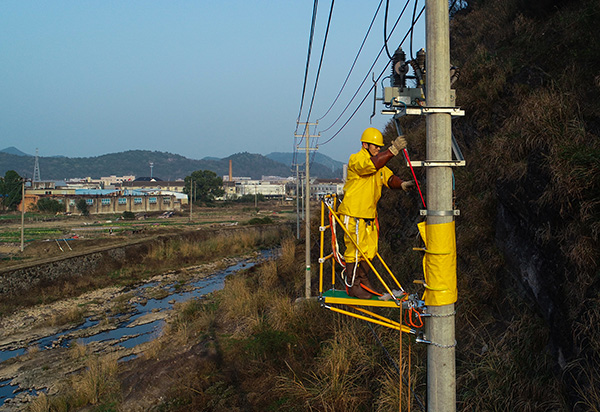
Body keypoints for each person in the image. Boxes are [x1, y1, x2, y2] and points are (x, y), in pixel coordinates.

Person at [338, 127, 414, 299]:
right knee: (355, 250)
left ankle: (363, 281)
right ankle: (353, 285)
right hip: (354, 213)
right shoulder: (357, 159)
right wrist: (392, 150)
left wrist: (401, 184)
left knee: (370, 250)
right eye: (375, 146)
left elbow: (388, 178)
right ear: (365, 145)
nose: (378, 149)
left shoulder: (379, 164)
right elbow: (370, 166)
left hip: (369, 216)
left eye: (380, 147)